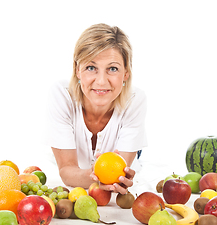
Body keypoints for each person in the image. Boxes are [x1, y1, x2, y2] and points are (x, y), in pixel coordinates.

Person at [45, 23, 147, 194]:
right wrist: (99, 176)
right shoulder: (61, 95)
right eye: (91, 68)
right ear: (77, 70)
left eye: (112, 69)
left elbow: (118, 174)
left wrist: (112, 177)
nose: (101, 81)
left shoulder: (135, 100)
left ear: (126, 73)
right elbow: (66, 170)